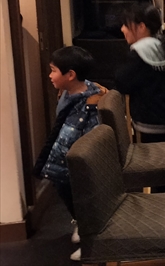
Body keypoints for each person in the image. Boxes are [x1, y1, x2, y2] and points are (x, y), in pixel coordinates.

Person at [33, 46, 107, 261]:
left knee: (85, 202)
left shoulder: (88, 105)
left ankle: (91, 244)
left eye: (53, 70)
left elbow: (86, 139)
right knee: (73, 200)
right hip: (66, 163)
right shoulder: (69, 93)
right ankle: (82, 225)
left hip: (77, 164)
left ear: (70, 75)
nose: (50, 75)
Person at [116, 3, 165, 144]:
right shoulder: (164, 43)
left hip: (151, 124)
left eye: (126, 25)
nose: (122, 29)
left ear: (142, 26)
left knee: (153, 154)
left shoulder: (140, 51)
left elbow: (121, 83)